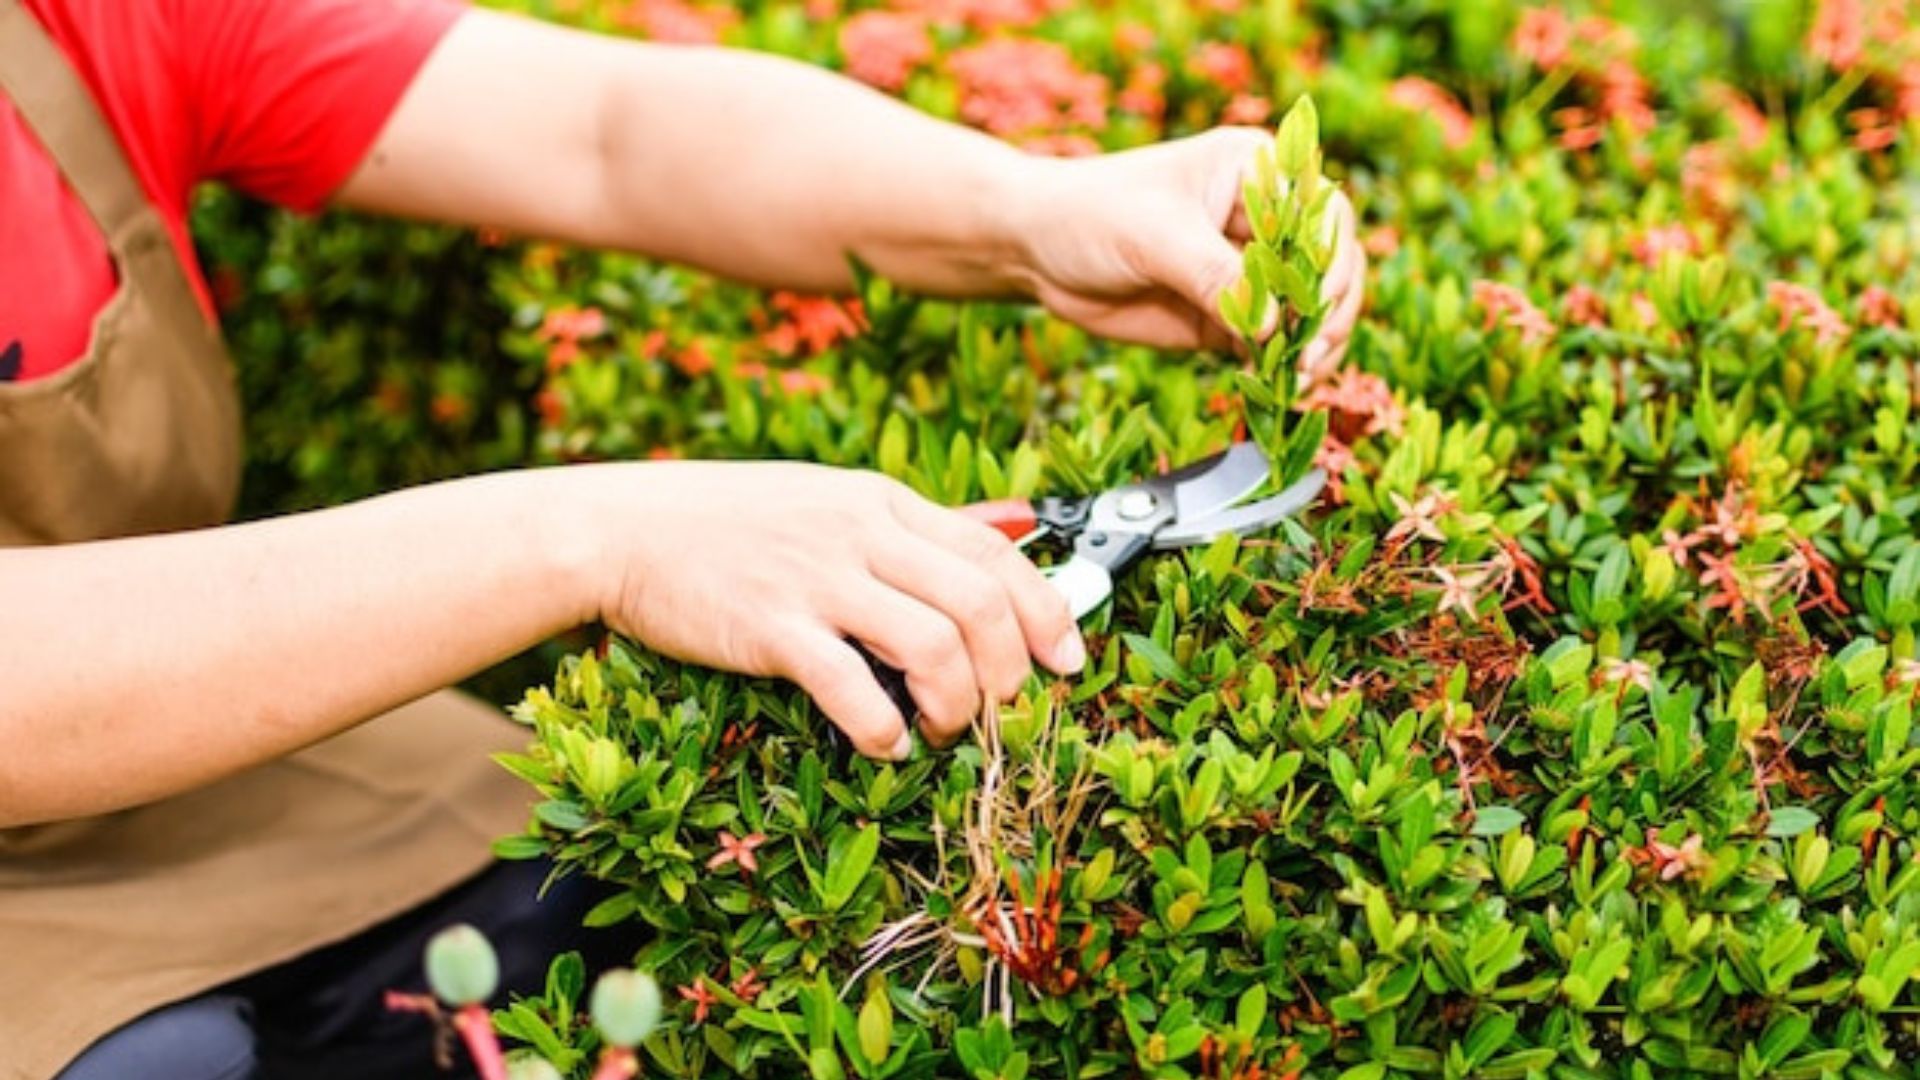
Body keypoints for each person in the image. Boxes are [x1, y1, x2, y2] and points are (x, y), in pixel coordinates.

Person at [0, 0, 1364, 1075]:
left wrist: (1031, 215)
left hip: (221, 781)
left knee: (594, 903)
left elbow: (598, 128)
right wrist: (601, 533)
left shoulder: (74, 25)